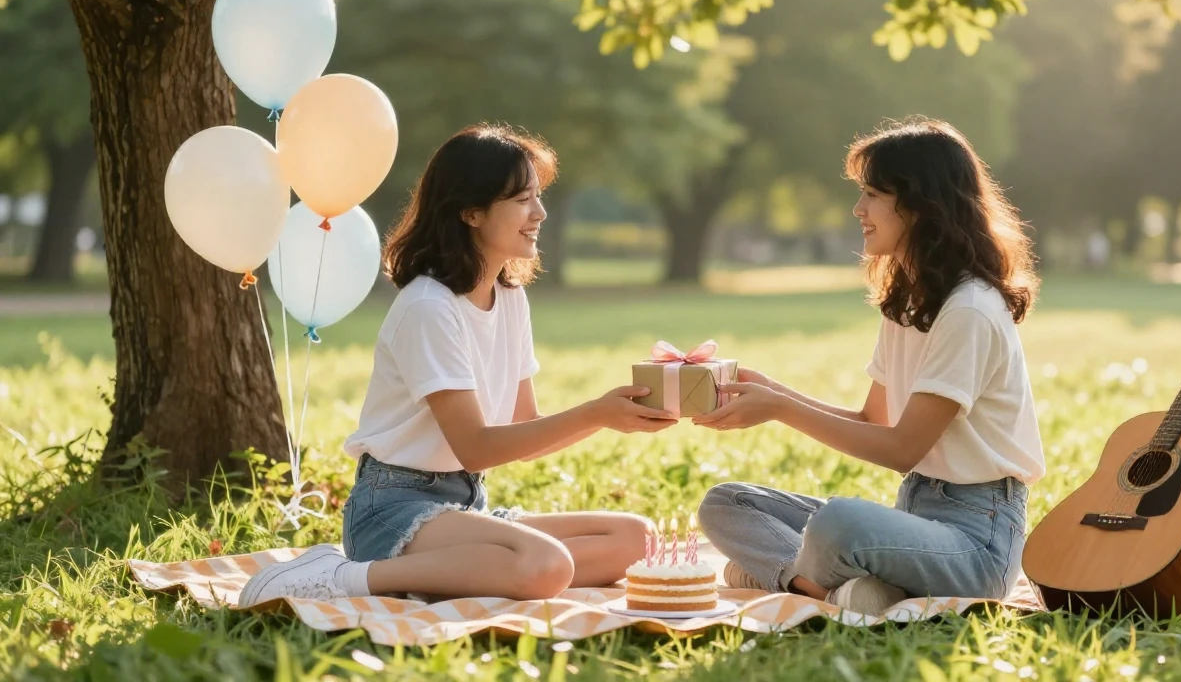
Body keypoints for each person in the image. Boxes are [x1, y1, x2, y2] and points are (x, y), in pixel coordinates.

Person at [240, 125, 676, 607]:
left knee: (637, 538)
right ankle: (344, 576)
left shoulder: (510, 297)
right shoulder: (429, 307)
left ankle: (464, 572)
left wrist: (618, 418)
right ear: (470, 212)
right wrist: (595, 412)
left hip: (465, 503)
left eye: (538, 196)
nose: (540, 212)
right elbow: (475, 447)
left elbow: (523, 427)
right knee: (547, 566)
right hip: (393, 506)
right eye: (522, 199)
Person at [693, 118, 1046, 615]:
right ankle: (831, 588)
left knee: (840, 525)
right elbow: (871, 421)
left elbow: (903, 448)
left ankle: (789, 577)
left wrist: (779, 410)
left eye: (873, 194)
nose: (858, 209)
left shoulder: (968, 309)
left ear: (922, 205)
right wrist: (774, 391)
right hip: (914, 515)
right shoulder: (909, 303)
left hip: (977, 545)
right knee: (727, 503)